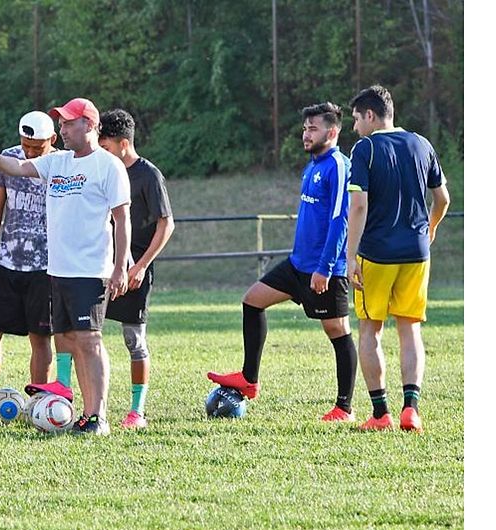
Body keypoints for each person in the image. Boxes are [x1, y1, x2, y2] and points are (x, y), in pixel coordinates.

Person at [0, 97, 131, 435]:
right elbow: (19, 168)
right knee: (70, 340)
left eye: (67, 123)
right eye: (60, 123)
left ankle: (97, 416)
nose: (61, 128)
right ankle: (85, 413)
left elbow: (122, 219)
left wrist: (120, 266)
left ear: (89, 125)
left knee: (89, 340)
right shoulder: (58, 162)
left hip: (89, 270)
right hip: (57, 271)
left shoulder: (108, 166)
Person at [207, 102, 359, 422]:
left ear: (332, 132)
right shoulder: (313, 165)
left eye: (313, 128)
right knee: (252, 301)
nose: (306, 134)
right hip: (296, 265)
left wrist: (325, 268)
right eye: (304, 128)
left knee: (337, 330)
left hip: (324, 269)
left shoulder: (338, 165)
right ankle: (249, 379)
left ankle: (344, 408)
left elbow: (339, 221)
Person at [345, 85, 450, 432]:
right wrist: (430, 230)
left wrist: (351, 256)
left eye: (357, 119)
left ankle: (380, 414)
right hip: (416, 252)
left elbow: (359, 206)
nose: (355, 127)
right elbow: (443, 199)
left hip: (377, 254)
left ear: (371, 116)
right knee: (409, 330)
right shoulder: (422, 143)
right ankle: (411, 410)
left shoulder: (366, 148)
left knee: (370, 331)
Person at [0, 111, 58, 425]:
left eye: (36, 147)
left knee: (40, 338)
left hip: (46, 267)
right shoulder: (8, 158)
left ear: (52, 140)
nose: (29, 152)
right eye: (25, 145)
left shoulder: (61, 164)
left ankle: (39, 404)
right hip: (8, 262)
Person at [97, 109, 174, 430]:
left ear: (124, 144)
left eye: (107, 147)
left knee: (134, 339)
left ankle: (136, 412)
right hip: (100, 265)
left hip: (133, 271)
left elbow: (166, 224)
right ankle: (81, 403)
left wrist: (140, 266)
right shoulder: (100, 169)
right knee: (84, 336)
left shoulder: (148, 175)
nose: (103, 153)